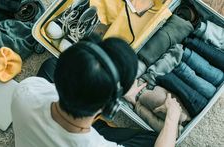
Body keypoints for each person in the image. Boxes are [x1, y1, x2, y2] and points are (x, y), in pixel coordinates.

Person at [11, 35, 182, 147]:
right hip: (81, 135)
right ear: (111, 107)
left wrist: (105, 85)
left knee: (49, 64)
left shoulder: (26, 90)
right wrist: (172, 117)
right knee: (155, 140)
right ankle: (98, 125)